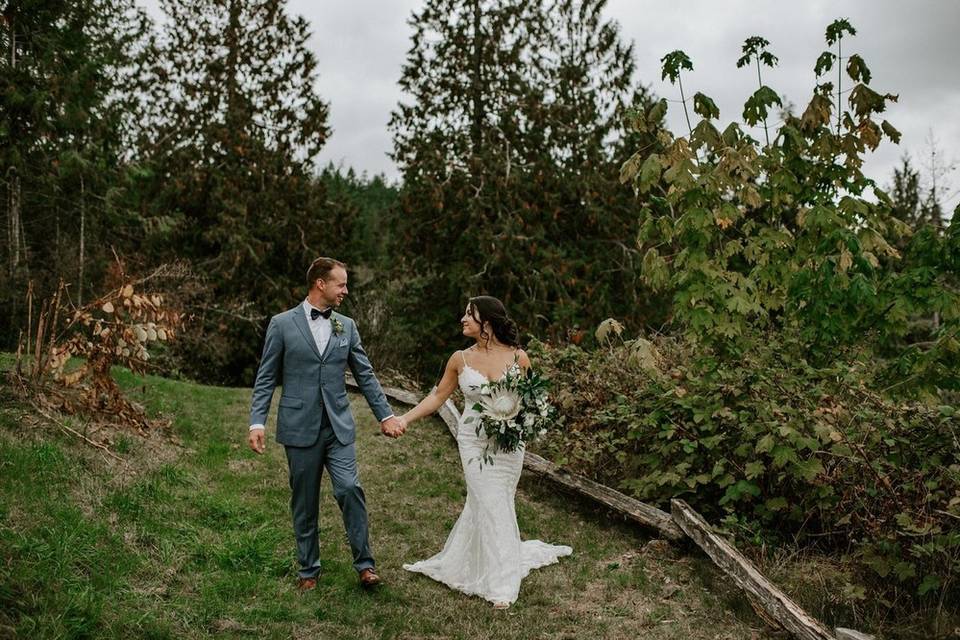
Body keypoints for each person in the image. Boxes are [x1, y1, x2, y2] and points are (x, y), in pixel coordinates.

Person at [397, 295, 572, 608]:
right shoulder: (459, 359)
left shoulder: (519, 357)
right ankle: (503, 583)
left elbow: (534, 401)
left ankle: (476, 561)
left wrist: (524, 423)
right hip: (474, 442)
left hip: (510, 445)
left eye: (469, 314)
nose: (463, 319)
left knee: (495, 501)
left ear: (486, 322)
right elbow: (437, 397)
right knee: (490, 501)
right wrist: (405, 418)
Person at [247, 257, 405, 592]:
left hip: (338, 427)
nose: (345, 291)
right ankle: (308, 569)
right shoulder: (282, 324)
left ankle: (365, 565)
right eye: (341, 284)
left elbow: (365, 374)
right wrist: (257, 422)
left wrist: (386, 415)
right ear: (321, 283)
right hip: (299, 427)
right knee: (305, 502)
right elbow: (265, 378)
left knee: (349, 488)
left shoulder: (345, 326)